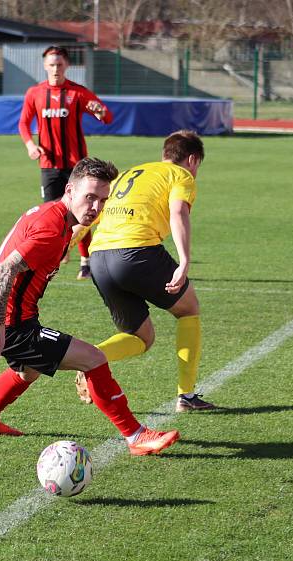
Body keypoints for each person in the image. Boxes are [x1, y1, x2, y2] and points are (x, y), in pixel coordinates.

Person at [0, 157, 180, 456]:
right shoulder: (51, 228)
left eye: (102, 200)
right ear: (69, 190)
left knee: (29, 372)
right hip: (11, 323)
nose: (96, 207)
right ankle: (136, 436)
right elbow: (6, 270)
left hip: (15, 317)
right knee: (93, 359)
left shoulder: (55, 215)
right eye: (90, 197)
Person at [76, 130, 217, 413]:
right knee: (188, 309)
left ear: (165, 154)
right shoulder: (181, 176)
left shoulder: (132, 172)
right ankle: (187, 397)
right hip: (137, 252)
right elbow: (178, 212)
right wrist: (185, 261)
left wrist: (62, 249)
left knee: (142, 337)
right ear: (192, 159)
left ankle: (90, 358)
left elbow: (91, 214)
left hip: (100, 257)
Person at [18, 46, 113, 281]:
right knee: (53, 212)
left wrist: (101, 113)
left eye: (59, 64)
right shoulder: (35, 93)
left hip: (77, 166)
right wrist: (31, 145)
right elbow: (23, 123)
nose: (55, 69)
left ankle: (86, 262)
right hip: (49, 164)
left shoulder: (77, 92)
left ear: (66, 66)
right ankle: (55, 257)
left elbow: (106, 116)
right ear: (44, 66)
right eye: (51, 64)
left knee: (82, 212)